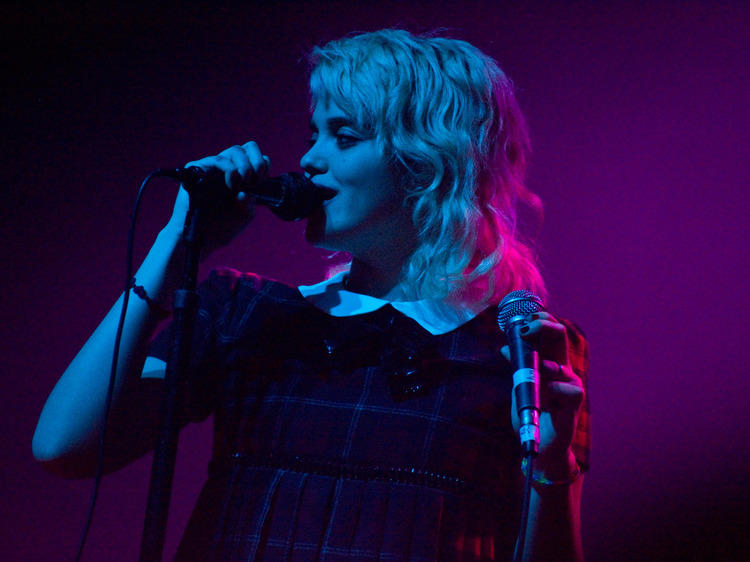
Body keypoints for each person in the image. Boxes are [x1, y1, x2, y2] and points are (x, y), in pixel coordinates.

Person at [33, 29, 590, 561]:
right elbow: (65, 444)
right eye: (313, 135)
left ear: (429, 162)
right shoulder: (246, 312)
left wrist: (551, 468)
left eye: (344, 137)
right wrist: (176, 246)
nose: (308, 159)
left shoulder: (524, 351)